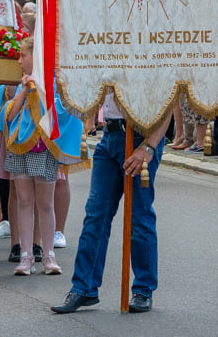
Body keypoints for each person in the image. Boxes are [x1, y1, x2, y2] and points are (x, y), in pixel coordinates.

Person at [51, 90, 169, 314]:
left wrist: (149, 146)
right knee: (95, 214)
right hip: (110, 135)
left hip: (140, 135)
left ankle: (143, 290)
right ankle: (83, 287)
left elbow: (169, 103)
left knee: (139, 215)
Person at [3, 37, 82, 276]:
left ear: (35, 58)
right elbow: (9, 116)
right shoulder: (22, 85)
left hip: (44, 148)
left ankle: (48, 255)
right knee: (25, 202)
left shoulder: (53, 84)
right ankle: (26, 256)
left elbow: (64, 112)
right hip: (21, 147)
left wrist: (41, 92)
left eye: (23, 55)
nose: (19, 60)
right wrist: (25, 90)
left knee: (45, 204)